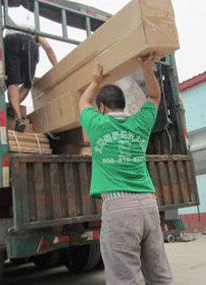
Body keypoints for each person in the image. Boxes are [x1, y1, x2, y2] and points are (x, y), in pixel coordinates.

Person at [79, 52, 173, 285]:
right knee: (159, 276)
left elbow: (82, 103)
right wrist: (146, 67)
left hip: (118, 209)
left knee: (124, 279)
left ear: (101, 107)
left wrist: (95, 81)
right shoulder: (139, 123)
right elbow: (154, 95)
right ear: (124, 105)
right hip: (149, 207)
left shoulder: (97, 124)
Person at [4, 27, 57, 132]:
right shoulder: (34, 29)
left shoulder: (12, 28)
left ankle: (17, 117)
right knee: (28, 83)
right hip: (29, 42)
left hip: (9, 41)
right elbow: (47, 47)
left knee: (12, 82)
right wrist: (57, 67)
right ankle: (14, 106)